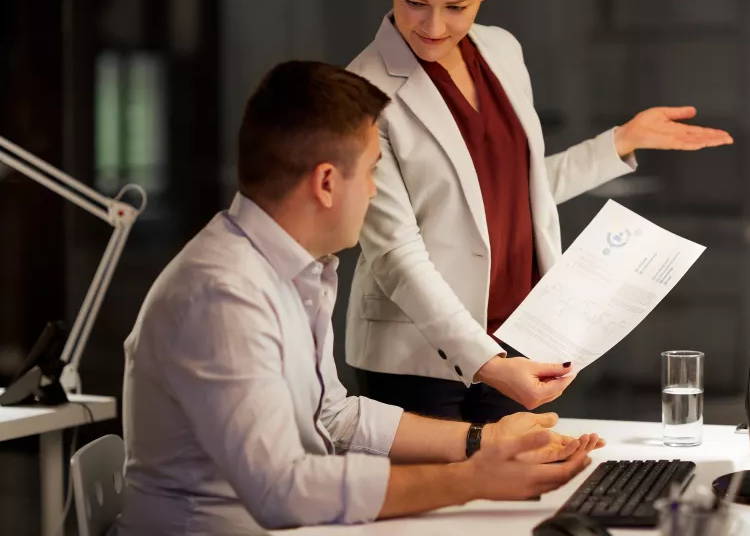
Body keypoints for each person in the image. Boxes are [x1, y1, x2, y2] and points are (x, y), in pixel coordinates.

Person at [116, 61, 603, 536]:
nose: (373, 191)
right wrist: (472, 480)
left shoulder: (293, 270)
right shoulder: (222, 297)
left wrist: (481, 440)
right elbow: (281, 489)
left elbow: (334, 415)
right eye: (371, 171)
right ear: (327, 183)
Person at [346, 0, 734, 423]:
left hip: (520, 338)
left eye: (457, 6)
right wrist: (483, 360)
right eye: (414, 1)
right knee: (436, 505)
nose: (433, 26)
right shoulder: (359, 90)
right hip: (417, 361)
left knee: (518, 505)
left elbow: (512, 191)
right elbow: (395, 253)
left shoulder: (502, 50)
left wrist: (621, 141)